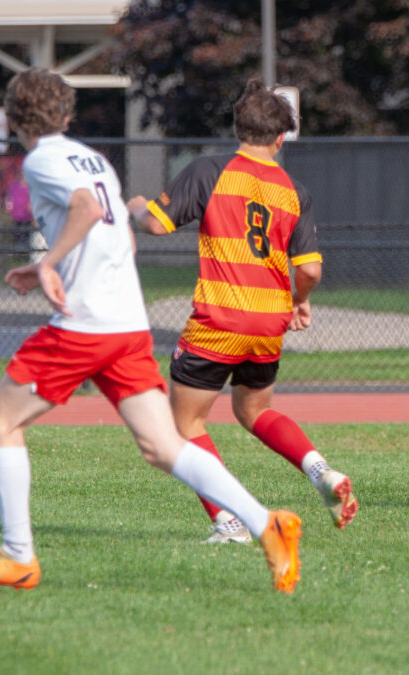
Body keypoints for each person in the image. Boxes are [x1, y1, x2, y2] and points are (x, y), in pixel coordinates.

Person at [0, 68, 301, 593]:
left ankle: (18, 557)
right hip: (127, 325)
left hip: (85, 325)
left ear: (15, 118)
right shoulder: (95, 160)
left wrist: (50, 264)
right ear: (66, 115)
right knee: (163, 445)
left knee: (1, 419)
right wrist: (54, 265)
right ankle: (265, 523)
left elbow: (85, 211)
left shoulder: (42, 159)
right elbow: (123, 240)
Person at [127, 78, 357, 544]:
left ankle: (229, 523)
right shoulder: (295, 191)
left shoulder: (210, 171)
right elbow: (310, 269)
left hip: (221, 319)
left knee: (183, 424)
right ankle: (320, 471)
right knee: (254, 409)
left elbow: (155, 222)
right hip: (270, 321)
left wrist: (134, 206)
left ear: (237, 127)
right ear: (280, 137)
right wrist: (298, 301)